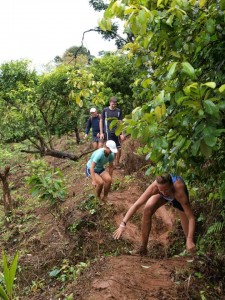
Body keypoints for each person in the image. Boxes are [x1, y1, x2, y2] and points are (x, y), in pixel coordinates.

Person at [113, 173, 196, 255]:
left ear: (171, 185)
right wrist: (122, 224)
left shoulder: (179, 191)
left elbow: (191, 217)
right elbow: (137, 204)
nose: (164, 192)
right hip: (163, 196)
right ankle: (143, 248)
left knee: (188, 233)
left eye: (166, 189)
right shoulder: (155, 188)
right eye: (161, 190)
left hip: (176, 197)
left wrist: (189, 239)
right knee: (147, 208)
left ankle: (191, 250)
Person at [100, 97, 124, 167]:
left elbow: (120, 122)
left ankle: (117, 162)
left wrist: (122, 133)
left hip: (116, 132)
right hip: (108, 132)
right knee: (110, 148)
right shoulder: (105, 110)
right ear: (110, 103)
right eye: (113, 104)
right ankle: (111, 163)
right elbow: (101, 121)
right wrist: (101, 132)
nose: (114, 105)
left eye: (115, 104)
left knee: (119, 148)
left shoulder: (119, 111)